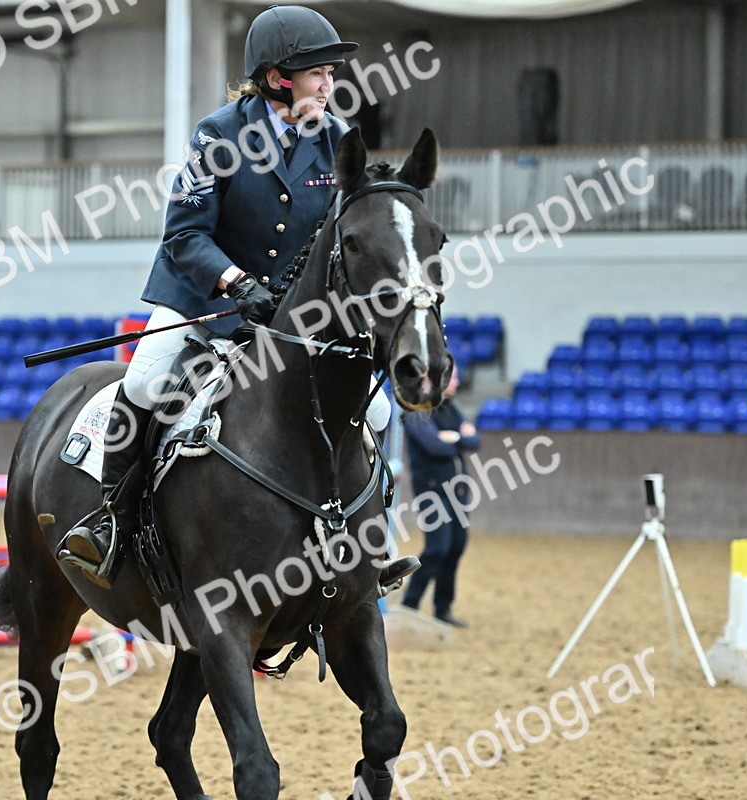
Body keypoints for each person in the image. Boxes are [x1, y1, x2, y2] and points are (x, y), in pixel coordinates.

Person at [60, 5, 418, 591]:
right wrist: (236, 283)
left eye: (331, 74)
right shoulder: (219, 135)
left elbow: (337, 238)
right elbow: (184, 235)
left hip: (287, 314)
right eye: (318, 73)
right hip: (203, 296)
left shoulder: (335, 141)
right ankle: (108, 523)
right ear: (280, 78)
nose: (330, 84)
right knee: (147, 381)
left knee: (373, 409)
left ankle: (369, 546)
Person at [400, 364, 480, 626]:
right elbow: (433, 446)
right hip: (432, 492)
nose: (456, 381)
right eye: (451, 376)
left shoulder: (451, 408)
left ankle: (443, 607)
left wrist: (452, 437)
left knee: (456, 546)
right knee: (437, 547)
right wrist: (460, 438)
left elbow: (474, 441)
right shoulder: (417, 410)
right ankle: (409, 605)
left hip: (457, 491)